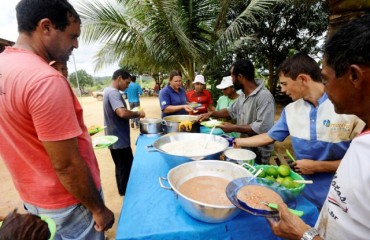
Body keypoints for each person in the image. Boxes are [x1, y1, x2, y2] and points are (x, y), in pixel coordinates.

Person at [0, 0, 114, 239]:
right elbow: (67, 164)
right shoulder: (44, 80)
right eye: (72, 35)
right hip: (70, 203)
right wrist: (98, 208)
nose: (76, 44)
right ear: (46, 27)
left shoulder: (4, 67)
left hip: (33, 197)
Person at [267, 15, 370, 240]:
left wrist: (302, 234)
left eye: (326, 78)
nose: (324, 88)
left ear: (354, 75)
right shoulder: (363, 143)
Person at [234, 53, 364, 209]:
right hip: (303, 193)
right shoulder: (291, 110)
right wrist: (237, 141)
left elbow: (363, 161)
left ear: (302, 79)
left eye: (284, 84)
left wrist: (318, 166)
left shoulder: (346, 108)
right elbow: (269, 136)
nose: (282, 89)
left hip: (342, 198)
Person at [199, 59, 275, 164]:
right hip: (245, 146)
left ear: (240, 77)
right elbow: (230, 111)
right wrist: (211, 114)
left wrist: (234, 127)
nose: (232, 80)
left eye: (232, 76)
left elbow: (262, 127)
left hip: (259, 152)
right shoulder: (243, 95)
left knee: (256, 176)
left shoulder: (264, 97)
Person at [103, 69, 145, 196]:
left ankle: (122, 191)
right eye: (127, 83)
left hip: (114, 137)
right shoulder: (114, 93)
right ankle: (128, 194)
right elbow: (121, 112)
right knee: (125, 167)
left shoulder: (107, 91)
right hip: (118, 139)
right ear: (119, 78)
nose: (127, 86)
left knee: (120, 166)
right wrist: (138, 113)